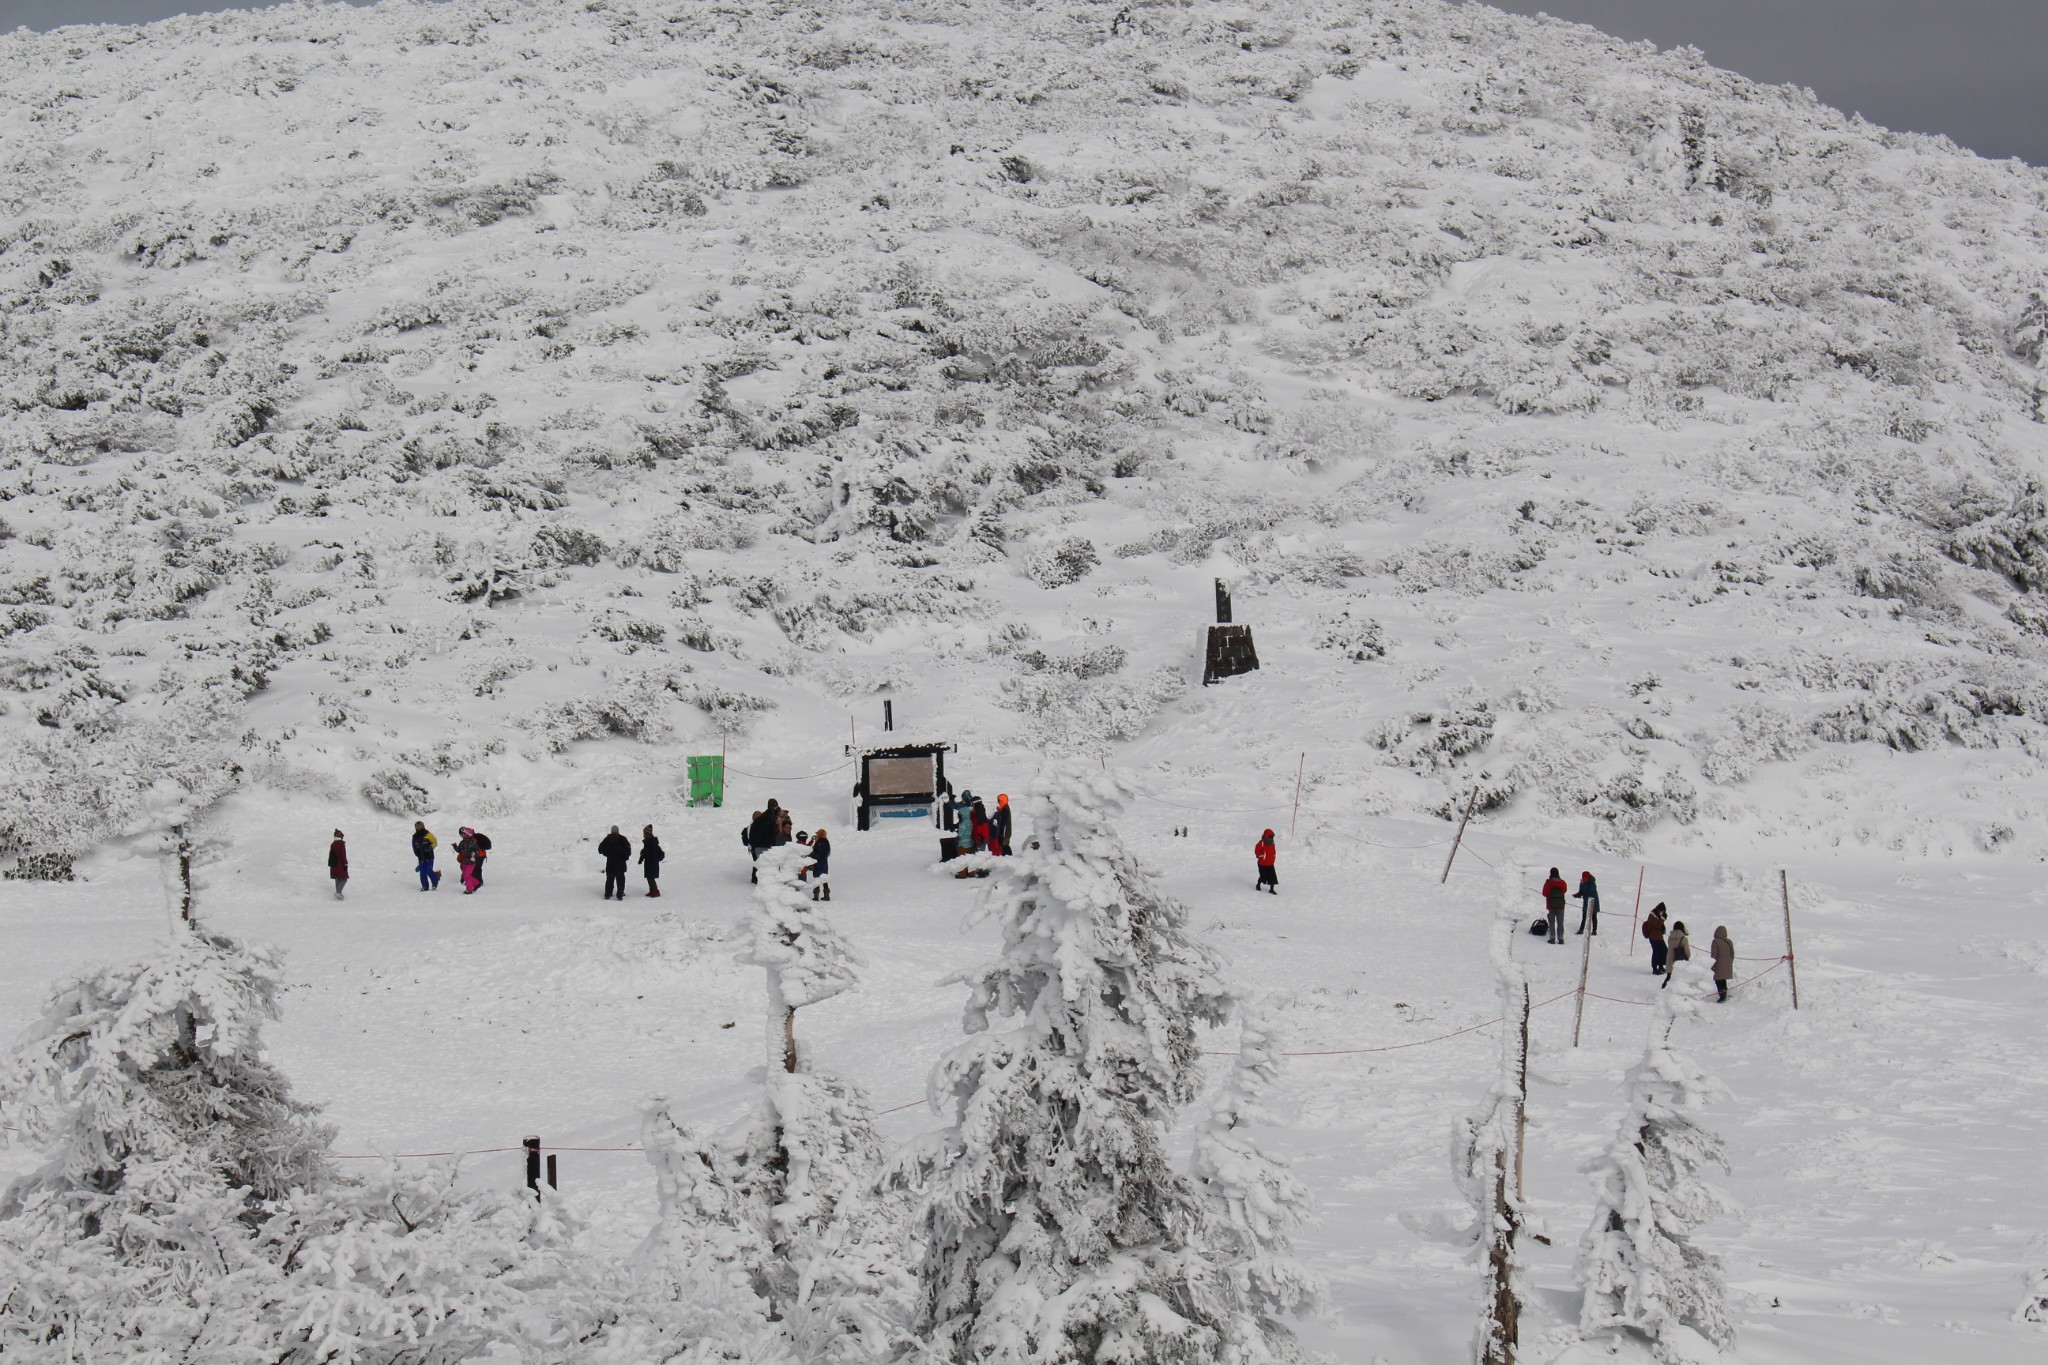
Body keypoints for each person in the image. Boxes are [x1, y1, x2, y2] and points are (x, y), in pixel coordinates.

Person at [598, 825, 632, 900]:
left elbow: (600, 849)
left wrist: (607, 854)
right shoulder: (623, 839)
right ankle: (620, 895)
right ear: (618, 831)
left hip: (610, 864)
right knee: (620, 881)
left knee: (609, 880)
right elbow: (628, 851)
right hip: (620, 864)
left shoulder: (607, 839)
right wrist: (624, 857)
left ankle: (608, 894)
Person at [1662, 920, 1692, 989]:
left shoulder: (1670, 938)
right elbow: (1687, 952)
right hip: (1680, 963)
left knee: (1668, 978)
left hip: (1670, 962)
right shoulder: (1684, 939)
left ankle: (1663, 991)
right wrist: (1688, 957)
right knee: (1679, 981)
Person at [1541, 867, 1568, 944]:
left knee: (1551, 922)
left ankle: (1552, 938)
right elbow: (1565, 890)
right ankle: (1561, 938)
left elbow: (1545, 893)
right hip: (1561, 906)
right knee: (1560, 922)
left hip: (1551, 905)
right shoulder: (1563, 882)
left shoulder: (1549, 882)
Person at [412, 821, 441, 891]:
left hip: (429, 856)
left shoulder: (428, 834)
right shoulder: (415, 837)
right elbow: (414, 846)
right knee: (422, 872)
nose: (420, 828)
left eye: (421, 826)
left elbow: (435, 842)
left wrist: (431, 847)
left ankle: (435, 882)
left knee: (428, 870)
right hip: (421, 857)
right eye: (418, 827)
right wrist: (416, 852)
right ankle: (425, 886)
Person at [639, 825, 665, 898]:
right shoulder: (649, 842)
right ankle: (652, 890)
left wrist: (655, 858)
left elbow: (659, 853)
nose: (643, 835)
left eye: (644, 834)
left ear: (648, 834)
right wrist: (641, 858)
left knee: (651, 878)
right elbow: (645, 852)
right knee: (649, 877)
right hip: (649, 863)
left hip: (652, 863)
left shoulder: (652, 843)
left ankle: (655, 891)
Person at [1710, 926, 1735, 1002]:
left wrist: (1714, 963)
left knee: (1718, 979)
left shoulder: (1715, 941)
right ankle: (1724, 993)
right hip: (1728, 963)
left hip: (1719, 963)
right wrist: (1729, 962)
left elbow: (1714, 955)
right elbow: (1732, 953)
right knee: (1723, 979)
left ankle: (1722, 996)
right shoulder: (1729, 941)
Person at [1643, 902, 1668, 974]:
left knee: (1664, 951)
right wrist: (1663, 918)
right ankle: (1654, 968)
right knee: (1656, 952)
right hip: (1653, 938)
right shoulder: (1652, 916)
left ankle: (1661, 966)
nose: (1662, 913)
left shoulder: (1658, 916)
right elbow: (1657, 925)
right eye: (1662, 911)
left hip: (1659, 937)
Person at [456, 827, 483, 895]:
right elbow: (459, 850)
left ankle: (469, 889)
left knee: (466, 875)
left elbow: (477, 851)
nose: (462, 836)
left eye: (463, 834)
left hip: (471, 862)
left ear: (467, 834)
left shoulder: (473, 842)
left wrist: (472, 854)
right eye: (461, 835)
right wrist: (455, 847)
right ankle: (476, 883)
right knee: (466, 876)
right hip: (464, 862)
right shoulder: (462, 842)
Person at [807, 828, 831, 901]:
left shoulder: (820, 843)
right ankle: (826, 895)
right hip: (824, 863)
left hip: (819, 863)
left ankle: (816, 896)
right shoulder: (826, 842)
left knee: (817, 878)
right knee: (824, 879)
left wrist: (810, 857)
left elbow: (818, 854)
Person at [1574, 870, 1599, 935]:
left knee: (1594, 916)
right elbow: (1582, 891)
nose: (1584, 879)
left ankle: (1594, 931)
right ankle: (1581, 929)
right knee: (1584, 916)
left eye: (1585, 878)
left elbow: (1589, 892)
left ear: (1588, 878)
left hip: (1594, 902)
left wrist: (1583, 885)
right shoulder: (1583, 883)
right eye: (1583, 878)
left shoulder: (1592, 883)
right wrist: (1578, 894)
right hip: (1586, 901)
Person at [1254, 829, 1278, 894]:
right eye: (1270, 837)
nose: (1271, 838)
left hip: (1270, 863)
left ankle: (1271, 889)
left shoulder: (1272, 843)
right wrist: (1261, 856)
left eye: (1272, 837)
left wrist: (1274, 857)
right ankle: (1258, 884)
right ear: (1266, 836)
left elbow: (1273, 851)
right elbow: (1257, 850)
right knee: (1263, 876)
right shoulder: (1261, 843)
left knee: (1273, 876)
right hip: (1262, 864)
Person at [328, 830, 348, 900]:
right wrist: (345, 863)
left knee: (337, 878)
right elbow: (343, 855)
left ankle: (338, 893)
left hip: (333, 865)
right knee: (344, 879)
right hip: (340, 865)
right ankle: (338, 892)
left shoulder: (333, 844)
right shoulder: (341, 844)